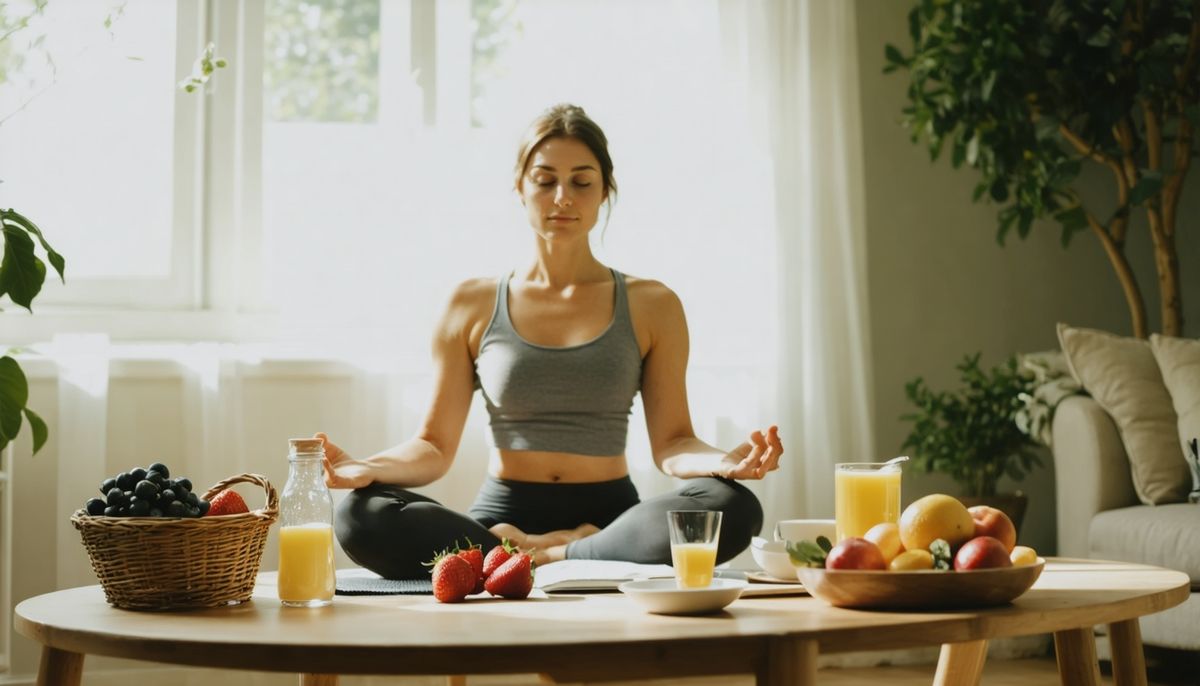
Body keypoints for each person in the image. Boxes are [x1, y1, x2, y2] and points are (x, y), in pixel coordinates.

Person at [318, 104, 783, 579]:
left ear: (605, 192)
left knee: (732, 504)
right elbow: (434, 445)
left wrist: (724, 463)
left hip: (611, 522)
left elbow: (674, 442)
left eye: (582, 182)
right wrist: (367, 468)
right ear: (519, 187)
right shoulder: (471, 303)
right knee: (359, 514)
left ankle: (553, 555)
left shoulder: (653, 303)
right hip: (500, 520)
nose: (563, 197)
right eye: (545, 180)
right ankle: (529, 551)